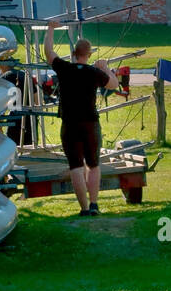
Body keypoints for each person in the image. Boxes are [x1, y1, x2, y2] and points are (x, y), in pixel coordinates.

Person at [43, 19, 121, 216]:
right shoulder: (94, 72)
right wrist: (104, 67)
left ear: (74, 54)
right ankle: (94, 204)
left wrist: (50, 29)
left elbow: (48, 52)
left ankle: (84, 208)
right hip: (90, 123)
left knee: (76, 166)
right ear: (89, 54)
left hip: (69, 124)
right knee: (93, 165)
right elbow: (114, 85)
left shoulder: (64, 68)